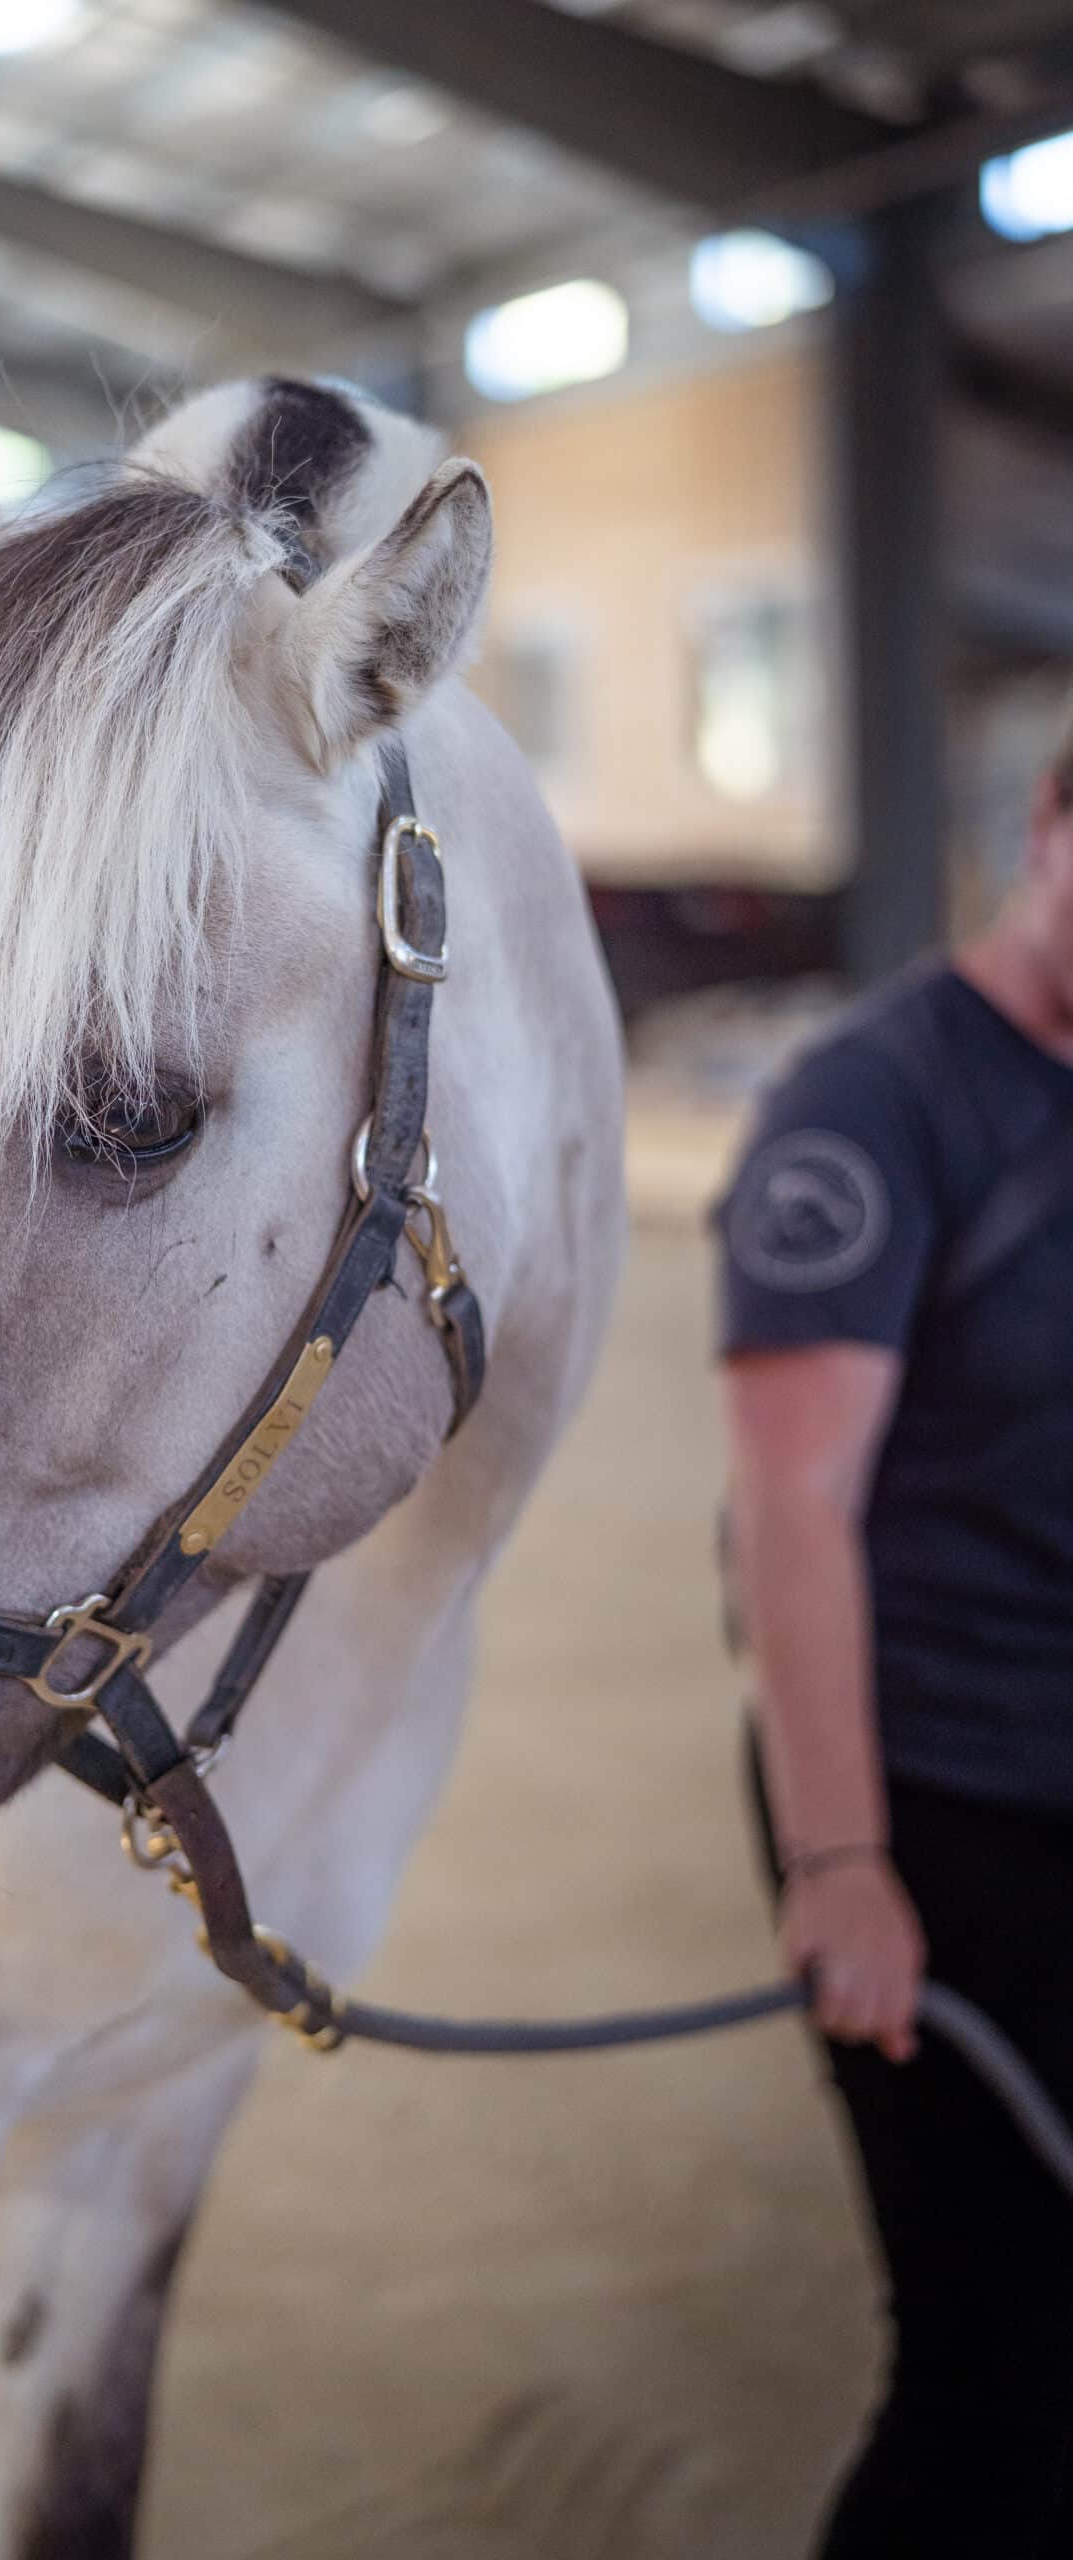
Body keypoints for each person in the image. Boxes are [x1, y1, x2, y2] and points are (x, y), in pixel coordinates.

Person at [717, 701, 1073, 2559]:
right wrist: (843, 1861)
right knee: (998, 2377)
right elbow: (792, 1511)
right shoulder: (874, 1103)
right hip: (943, 1797)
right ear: (1046, 829)